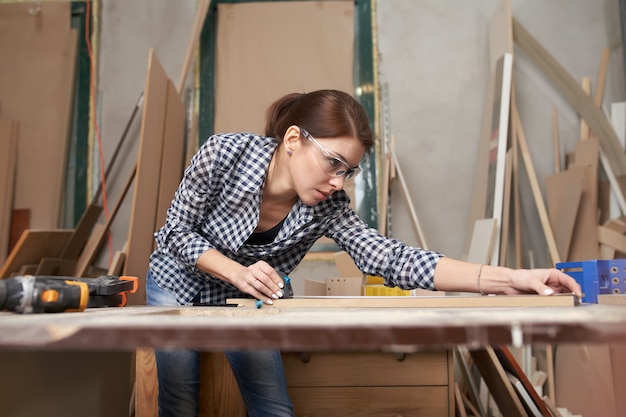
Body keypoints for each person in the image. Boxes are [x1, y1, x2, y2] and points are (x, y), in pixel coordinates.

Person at [146, 89, 582, 417]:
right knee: (179, 394)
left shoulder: (329, 207)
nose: (338, 182)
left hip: (246, 300)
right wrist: (236, 272)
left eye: (348, 172)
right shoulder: (224, 154)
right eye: (332, 163)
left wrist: (512, 279)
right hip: (178, 282)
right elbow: (176, 233)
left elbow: (390, 259)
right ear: (294, 139)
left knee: (273, 406)